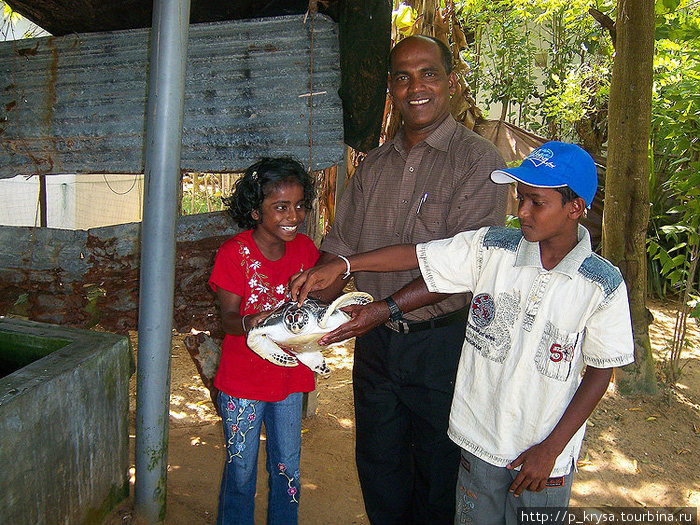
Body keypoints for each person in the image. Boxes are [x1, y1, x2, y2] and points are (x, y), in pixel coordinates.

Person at [290, 141, 635, 524]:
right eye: (520, 198)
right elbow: (420, 255)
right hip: (478, 443)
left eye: (536, 202)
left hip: (543, 460)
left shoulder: (601, 284)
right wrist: (345, 264)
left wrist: (551, 448)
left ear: (575, 208)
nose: (521, 211)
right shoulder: (492, 248)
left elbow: (601, 371)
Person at [310, 34, 508, 525]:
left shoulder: (479, 162)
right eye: (402, 76)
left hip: (443, 345)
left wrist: (386, 307)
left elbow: (466, 267)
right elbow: (338, 251)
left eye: (429, 73)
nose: (415, 86)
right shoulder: (373, 167)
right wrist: (303, 312)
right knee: (380, 467)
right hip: (375, 346)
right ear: (391, 89)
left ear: (452, 81)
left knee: (439, 472)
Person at [208, 157, 319, 525]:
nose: (294, 215)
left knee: (288, 469)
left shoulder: (305, 250)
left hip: (289, 379)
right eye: (281, 207)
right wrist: (249, 321)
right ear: (255, 211)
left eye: (300, 205)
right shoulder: (234, 254)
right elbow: (227, 318)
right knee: (241, 472)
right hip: (243, 382)